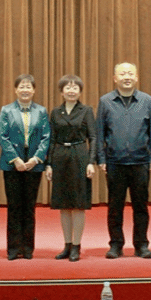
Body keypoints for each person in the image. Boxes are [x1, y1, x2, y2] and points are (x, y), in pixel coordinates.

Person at [97, 62, 151, 259]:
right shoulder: (106, 101)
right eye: (122, 74)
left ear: (136, 77)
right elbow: (100, 132)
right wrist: (101, 157)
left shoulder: (147, 101)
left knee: (141, 206)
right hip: (115, 162)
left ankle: (141, 245)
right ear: (115, 78)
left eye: (130, 73)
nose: (127, 77)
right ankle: (116, 244)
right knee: (115, 207)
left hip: (140, 161)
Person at [0, 74, 50, 260]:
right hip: (12, 165)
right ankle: (13, 248)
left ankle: (28, 248)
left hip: (33, 165)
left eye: (29, 87)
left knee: (29, 207)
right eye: (22, 86)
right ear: (15, 90)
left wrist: (36, 159)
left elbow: (46, 137)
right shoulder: (6, 110)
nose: (25, 90)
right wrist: (15, 159)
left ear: (34, 90)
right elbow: (3, 136)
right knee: (14, 207)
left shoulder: (41, 111)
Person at [45, 75, 96, 263]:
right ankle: (66, 245)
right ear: (61, 91)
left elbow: (93, 138)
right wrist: (49, 164)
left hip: (79, 156)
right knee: (64, 204)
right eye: (68, 87)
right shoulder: (55, 112)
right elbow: (51, 139)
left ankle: (76, 245)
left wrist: (91, 161)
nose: (71, 91)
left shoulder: (86, 111)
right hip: (60, 156)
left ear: (80, 91)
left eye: (75, 88)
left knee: (78, 203)